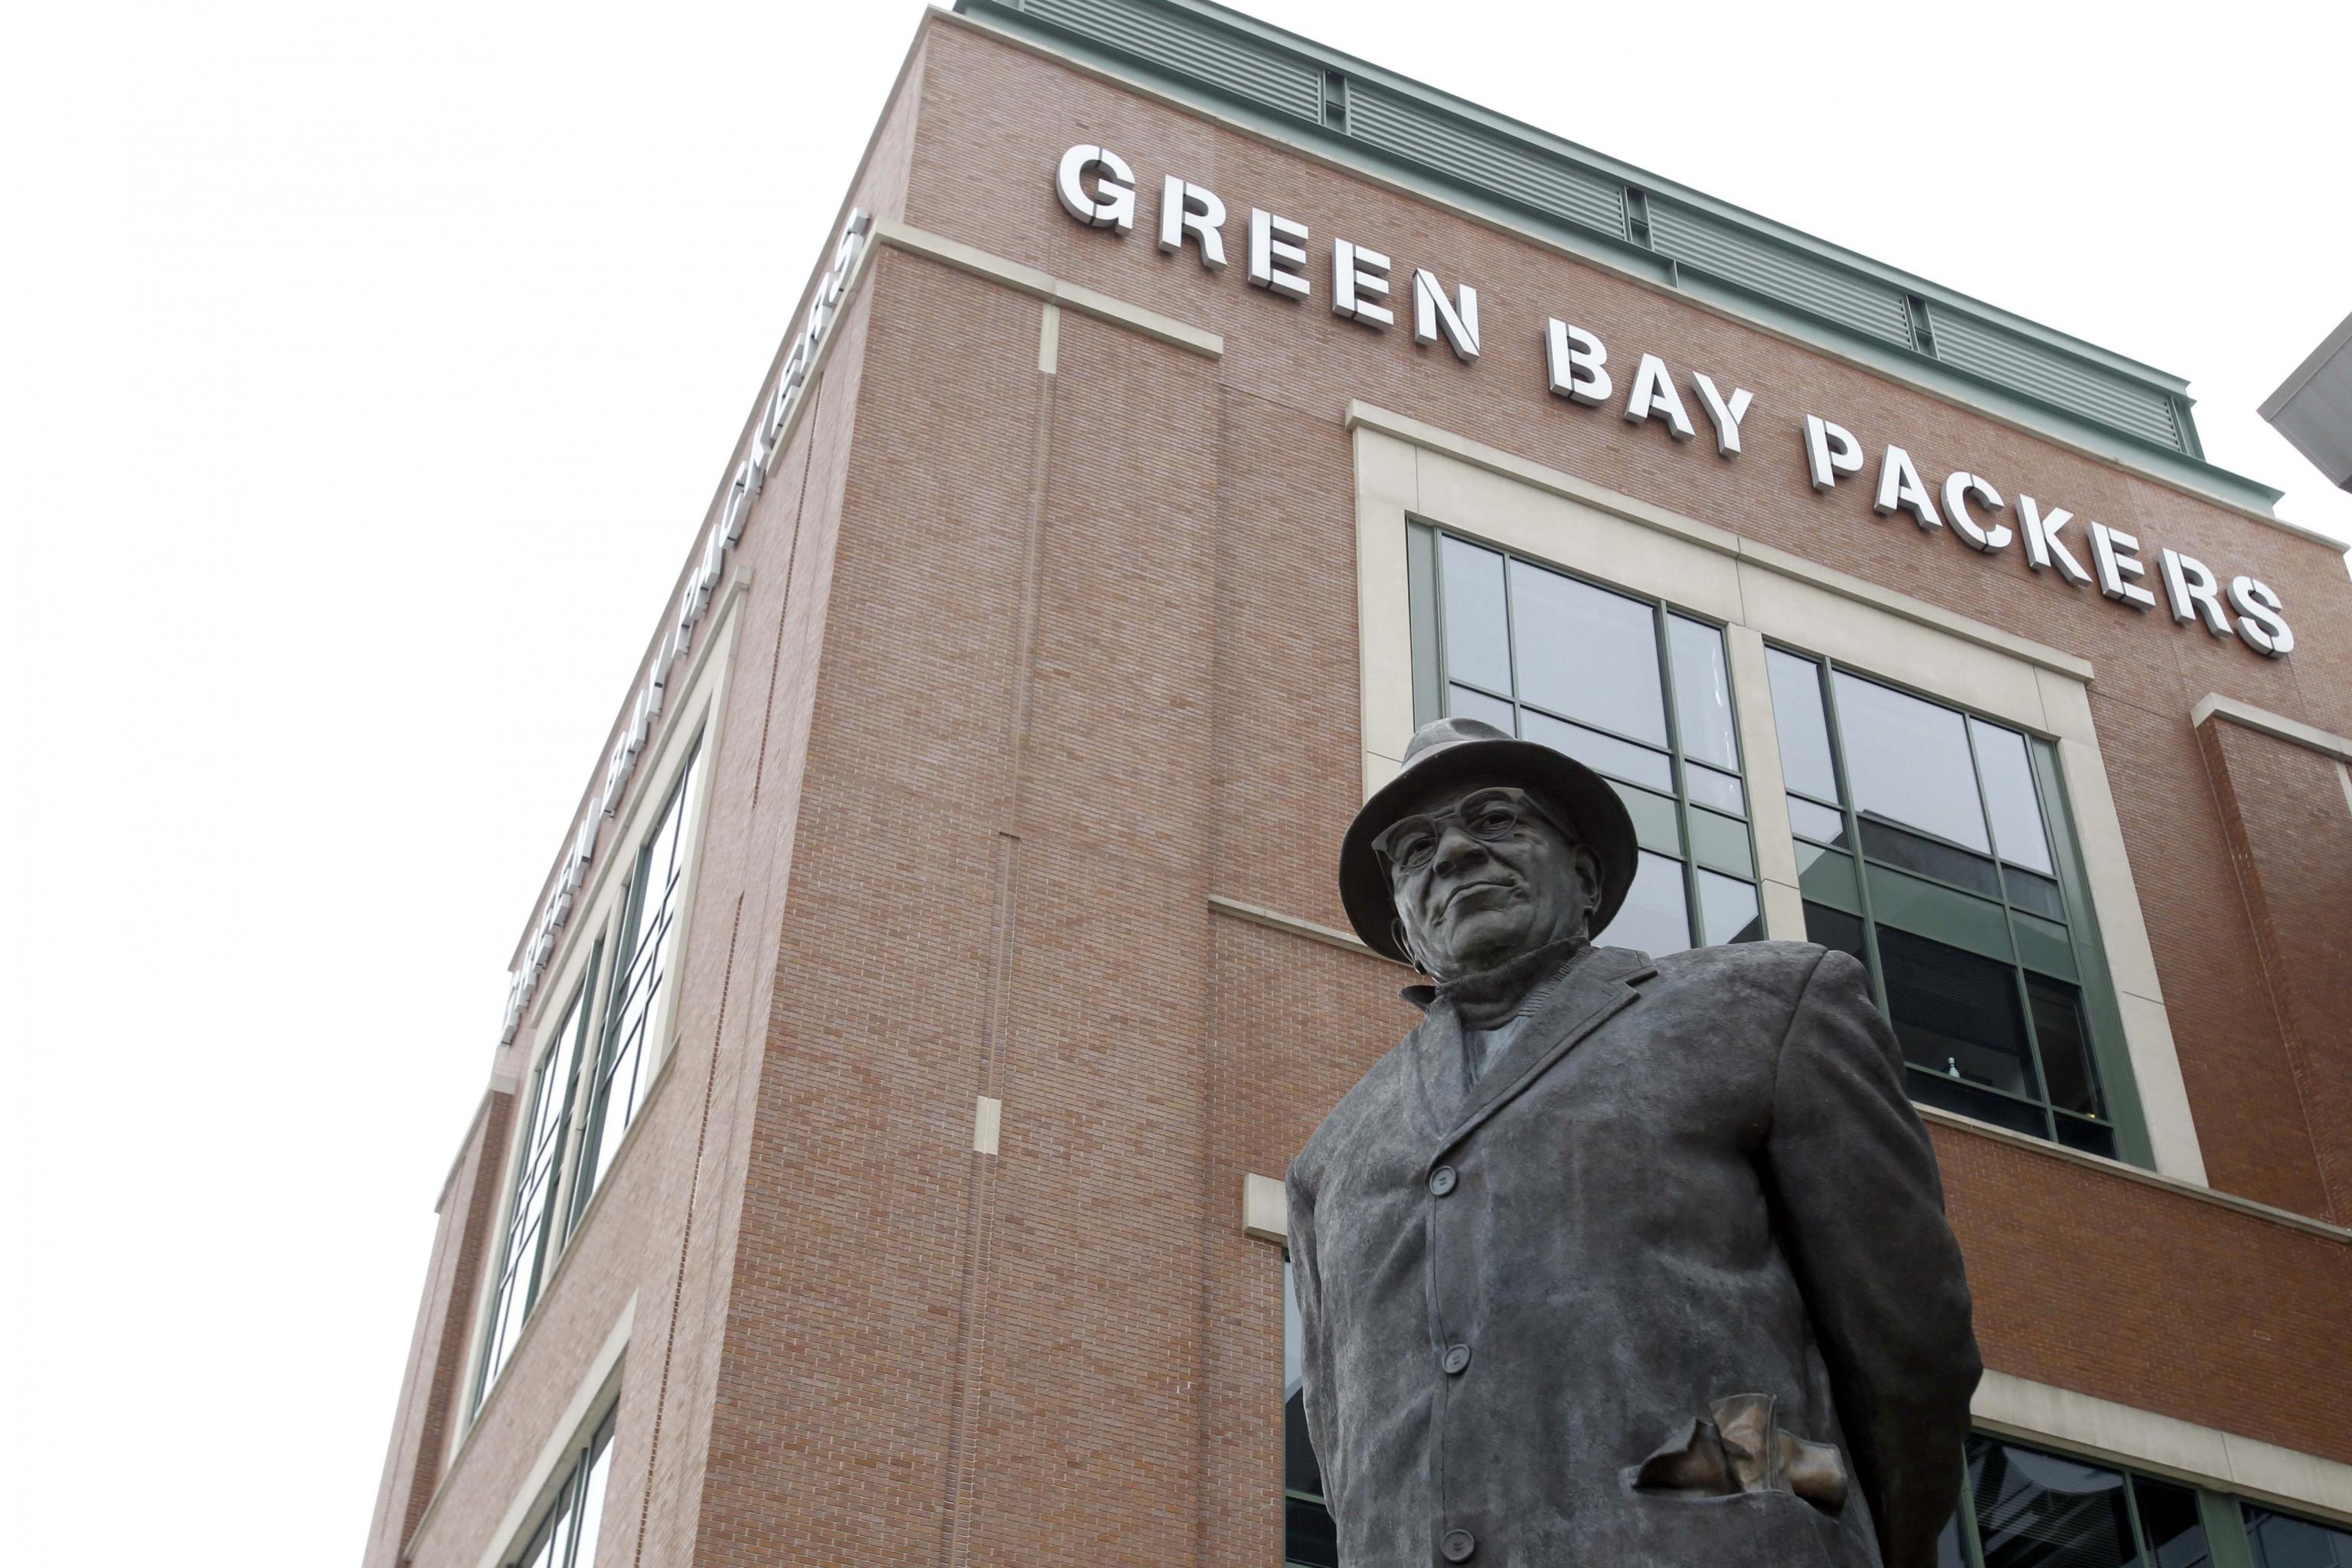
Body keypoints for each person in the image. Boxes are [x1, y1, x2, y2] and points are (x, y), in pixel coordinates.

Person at [1286, 716, 1981, 1568]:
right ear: (1404, 925)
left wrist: (1819, 1536)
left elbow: (1907, 1348)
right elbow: (1342, 1446)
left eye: (1498, 818)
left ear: (1584, 873)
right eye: (1416, 846)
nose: (1457, 852)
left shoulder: (1767, 1006)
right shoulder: (1331, 1158)